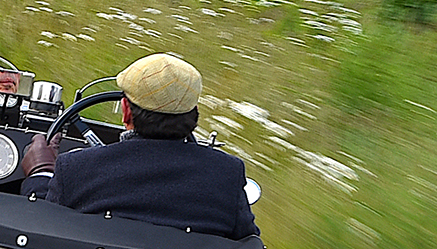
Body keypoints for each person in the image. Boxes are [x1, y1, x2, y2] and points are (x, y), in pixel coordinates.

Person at [20, 53, 259, 239]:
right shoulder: (226, 175)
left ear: (125, 111)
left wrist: (41, 172)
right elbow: (246, 245)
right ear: (193, 116)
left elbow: (38, 226)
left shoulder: (76, 168)